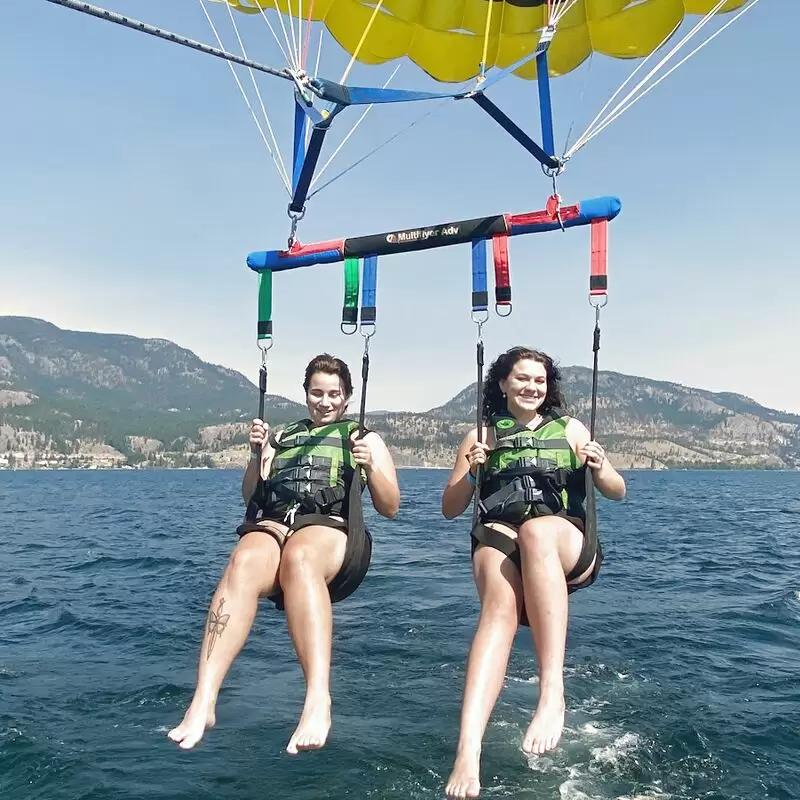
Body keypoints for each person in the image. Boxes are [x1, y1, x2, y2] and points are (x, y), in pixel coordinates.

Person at [168, 353, 400, 753]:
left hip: (329, 528)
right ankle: (204, 698)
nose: (324, 402)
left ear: (347, 396)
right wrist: (257, 455)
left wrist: (370, 467)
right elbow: (250, 495)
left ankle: (317, 699)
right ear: (305, 393)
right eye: (316, 393)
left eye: (334, 394)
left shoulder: (364, 438)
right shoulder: (282, 436)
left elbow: (390, 505)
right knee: (242, 559)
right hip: (278, 521)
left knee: (301, 557)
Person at [441, 346, 625, 799]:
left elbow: (618, 491)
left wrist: (601, 469)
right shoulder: (480, 435)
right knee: (498, 610)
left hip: (562, 541)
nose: (531, 387)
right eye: (522, 379)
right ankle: (468, 751)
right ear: (502, 383)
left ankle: (551, 694)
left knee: (538, 532)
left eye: (539, 381)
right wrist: (471, 472)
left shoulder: (571, 429)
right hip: (499, 532)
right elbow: (450, 509)